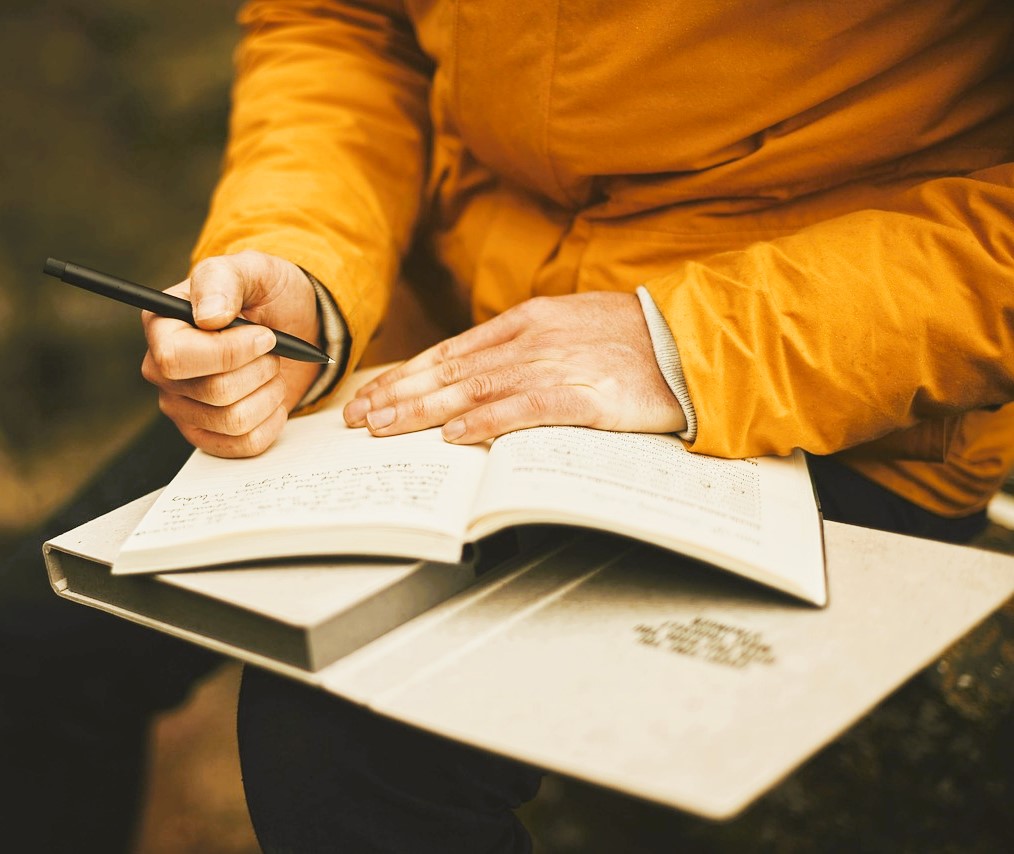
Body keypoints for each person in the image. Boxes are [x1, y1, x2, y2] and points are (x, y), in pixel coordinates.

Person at [3, 0, 1012, 851]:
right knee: (33, 636)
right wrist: (304, 260)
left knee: (346, 744)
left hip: (830, 392)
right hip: (434, 334)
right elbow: (342, 24)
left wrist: (691, 344)